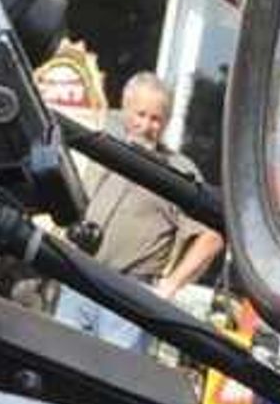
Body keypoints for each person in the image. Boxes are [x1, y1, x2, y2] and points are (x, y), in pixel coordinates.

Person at [55, 72, 223, 353]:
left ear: (166, 122)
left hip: (129, 297)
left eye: (156, 119)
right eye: (140, 114)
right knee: (56, 366)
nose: (146, 126)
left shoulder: (178, 172)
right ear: (125, 109)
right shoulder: (105, 148)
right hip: (79, 280)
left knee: (112, 383)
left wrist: (169, 287)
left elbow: (212, 237)